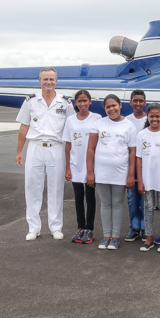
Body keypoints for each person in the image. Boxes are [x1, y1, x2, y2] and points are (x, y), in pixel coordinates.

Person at [16, 67, 76, 241]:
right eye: (45, 79)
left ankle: (55, 227)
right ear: (39, 81)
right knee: (32, 187)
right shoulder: (30, 101)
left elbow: (72, 128)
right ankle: (33, 228)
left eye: (51, 79)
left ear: (56, 81)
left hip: (56, 148)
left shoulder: (65, 103)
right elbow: (24, 126)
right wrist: (19, 150)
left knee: (56, 187)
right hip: (35, 147)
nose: (48, 82)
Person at [86, 94, 137, 251]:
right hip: (101, 172)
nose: (111, 109)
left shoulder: (129, 126)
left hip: (120, 173)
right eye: (108, 107)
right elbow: (91, 149)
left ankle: (115, 237)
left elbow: (133, 152)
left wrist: (131, 175)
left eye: (114, 105)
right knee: (105, 204)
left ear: (120, 105)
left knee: (117, 204)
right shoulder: (99, 123)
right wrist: (90, 172)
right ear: (105, 109)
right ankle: (106, 236)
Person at [62, 90, 102, 244]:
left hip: (91, 165)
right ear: (76, 103)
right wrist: (67, 167)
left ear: (90, 101)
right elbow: (68, 145)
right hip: (75, 165)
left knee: (90, 197)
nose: (82, 104)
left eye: (85, 101)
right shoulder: (70, 120)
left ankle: (89, 229)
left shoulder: (96, 118)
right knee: (78, 197)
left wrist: (94, 168)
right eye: (79, 101)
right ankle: (80, 227)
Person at [136, 104, 160, 253]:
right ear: (147, 117)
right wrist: (140, 181)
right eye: (151, 116)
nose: (154, 119)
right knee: (148, 208)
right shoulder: (142, 135)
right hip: (147, 180)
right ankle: (149, 239)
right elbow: (138, 159)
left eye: (157, 116)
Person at [125, 90, 148, 242]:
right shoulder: (126, 120)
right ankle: (134, 227)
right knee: (132, 198)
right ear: (130, 102)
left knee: (145, 198)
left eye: (141, 101)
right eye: (135, 100)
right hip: (131, 163)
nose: (138, 103)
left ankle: (146, 228)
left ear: (145, 102)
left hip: (147, 164)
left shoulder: (150, 118)